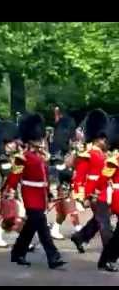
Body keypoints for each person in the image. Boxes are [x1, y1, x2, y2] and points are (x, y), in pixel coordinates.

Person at [4, 113, 66, 269]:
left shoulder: (40, 156)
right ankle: (53, 256)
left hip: (40, 195)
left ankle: (17, 252)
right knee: (43, 227)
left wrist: (49, 193)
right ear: (31, 139)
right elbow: (14, 176)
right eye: (38, 139)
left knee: (30, 227)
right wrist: (9, 189)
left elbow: (44, 176)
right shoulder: (22, 157)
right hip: (30, 194)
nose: (41, 142)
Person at [71, 109, 112, 254]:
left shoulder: (104, 154)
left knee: (99, 220)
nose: (106, 142)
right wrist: (81, 196)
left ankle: (80, 237)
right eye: (104, 139)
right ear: (98, 138)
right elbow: (79, 177)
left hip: (105, 192)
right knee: (104, 222)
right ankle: (110, 252)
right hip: (94, 193)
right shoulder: (87, 155)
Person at [49, 114, 82, 239]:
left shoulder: (65, 148)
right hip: (59, 184)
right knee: (71, 208)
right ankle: (79, 230)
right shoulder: (56, 150)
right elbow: (58, 169)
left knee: (62, 212)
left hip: (66, 183)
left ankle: (55, 230)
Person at [94, 116, 119, 271]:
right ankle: (109, 259)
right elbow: (103, 177)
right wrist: (96, 191)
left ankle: (105, 260)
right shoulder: (115, 159)